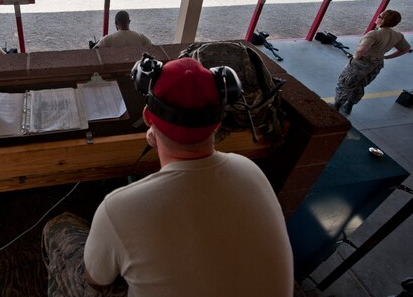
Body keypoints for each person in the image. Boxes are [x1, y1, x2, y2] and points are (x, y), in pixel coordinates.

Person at [42, 57, 294, 297]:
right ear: (218, 123)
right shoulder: (250, 170)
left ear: (148, 118)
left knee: (58, 227)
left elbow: (95, 280)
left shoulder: (119, 208)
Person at [334, 9, 410, 115]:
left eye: (380, 16)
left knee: (346, 84)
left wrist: (355, 57)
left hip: (361, 63)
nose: (377, 17)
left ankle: (336, 106)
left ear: (383, 21)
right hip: (377, 64)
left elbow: (362, 50)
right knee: (360, 85)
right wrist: (386, 57)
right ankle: (349, 106)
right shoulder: (397, 35)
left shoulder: (374, 34)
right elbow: (405, 49)